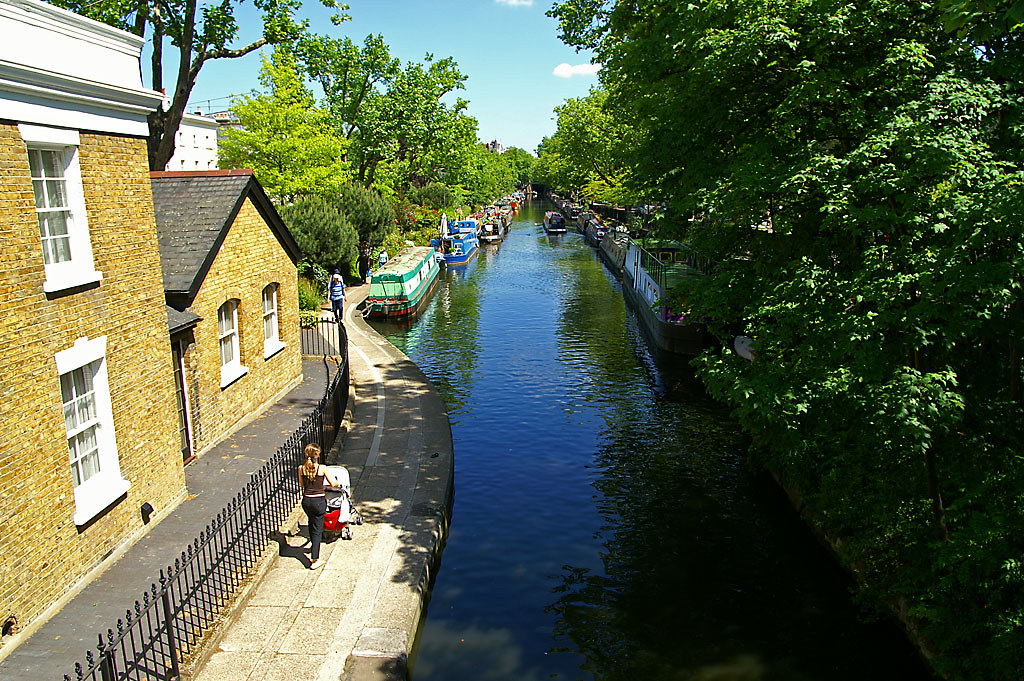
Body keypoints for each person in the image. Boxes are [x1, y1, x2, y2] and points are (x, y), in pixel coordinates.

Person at [298, 443, 338, 569]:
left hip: (306, 501)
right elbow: (333, 483)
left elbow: (302, 485)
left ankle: (313, 547)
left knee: (311, 523)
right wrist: (337, 482)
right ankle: (315, 559)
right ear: (317, 455)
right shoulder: (322, 468)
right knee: (317, 530)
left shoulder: (301, 468)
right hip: (318, 501)